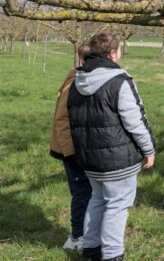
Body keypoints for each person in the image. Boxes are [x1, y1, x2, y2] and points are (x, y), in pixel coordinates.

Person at [68, 33, 156, 261]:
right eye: (119, 51)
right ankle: (112, 255)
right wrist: (149, 149)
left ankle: (91, 250)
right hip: (117, 159)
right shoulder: (119, 81)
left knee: (97, 200)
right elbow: (135, 120)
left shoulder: (77, 82)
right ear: (112, 54)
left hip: (89, 159)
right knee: (117, 206)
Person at [49, 43, 92, 253]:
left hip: (77, 149)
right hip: (71, 151)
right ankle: (76, 238)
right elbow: (62, 120)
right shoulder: (74, 83)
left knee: (87, 192)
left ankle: (85, 234)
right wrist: (72, 153)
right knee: (81, 193)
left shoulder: (79, 79)